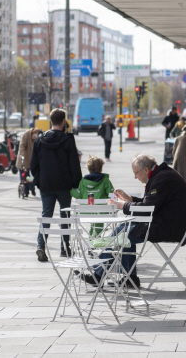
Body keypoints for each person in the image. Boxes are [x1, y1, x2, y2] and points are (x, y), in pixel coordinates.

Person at [81, 154, 186, 288]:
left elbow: (148, 208)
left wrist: (121, 205)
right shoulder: (160, 175)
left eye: (136, 173)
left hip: (169, 227)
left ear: (145, 170)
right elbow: (150, 203)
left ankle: (101, 275)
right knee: (124, 229)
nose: (135, 177)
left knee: (123, 232)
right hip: (166, 223)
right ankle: (128, 278)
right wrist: (129, 199)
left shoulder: (162, 179)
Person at [31, 108, 82, 262]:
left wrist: (39, 181)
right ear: (63, 121)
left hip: (46, 185)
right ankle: (65, 248)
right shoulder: (67, 140)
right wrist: (76, 183)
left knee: (46, 214)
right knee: (65, 216)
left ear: (51, 121)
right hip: (64, 185)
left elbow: (33, 165)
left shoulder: (40, 140)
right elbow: (74, 164)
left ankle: (41, 246)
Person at [70, 156, 114, 236]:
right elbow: (112, 195)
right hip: (101, 211)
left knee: (93, 222)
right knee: (98, 222)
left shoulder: (83, 181)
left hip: (86, 211)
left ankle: (92, 240)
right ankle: (95, 240)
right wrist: (114, 202)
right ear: (101, 168)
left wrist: (69, 189)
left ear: (88, 168)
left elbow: (78, 195)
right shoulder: (105, 180)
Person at [16, 127, 42, 197]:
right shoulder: (26, 135)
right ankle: (26, 192)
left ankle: (32, 189)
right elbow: (22, 147)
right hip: (23, 158)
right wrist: (23, 157)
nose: (34, 138)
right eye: (34, 136)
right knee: (24, 176)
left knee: (31, 177)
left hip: (31, 159)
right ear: (32, 133)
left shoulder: (38, 139)